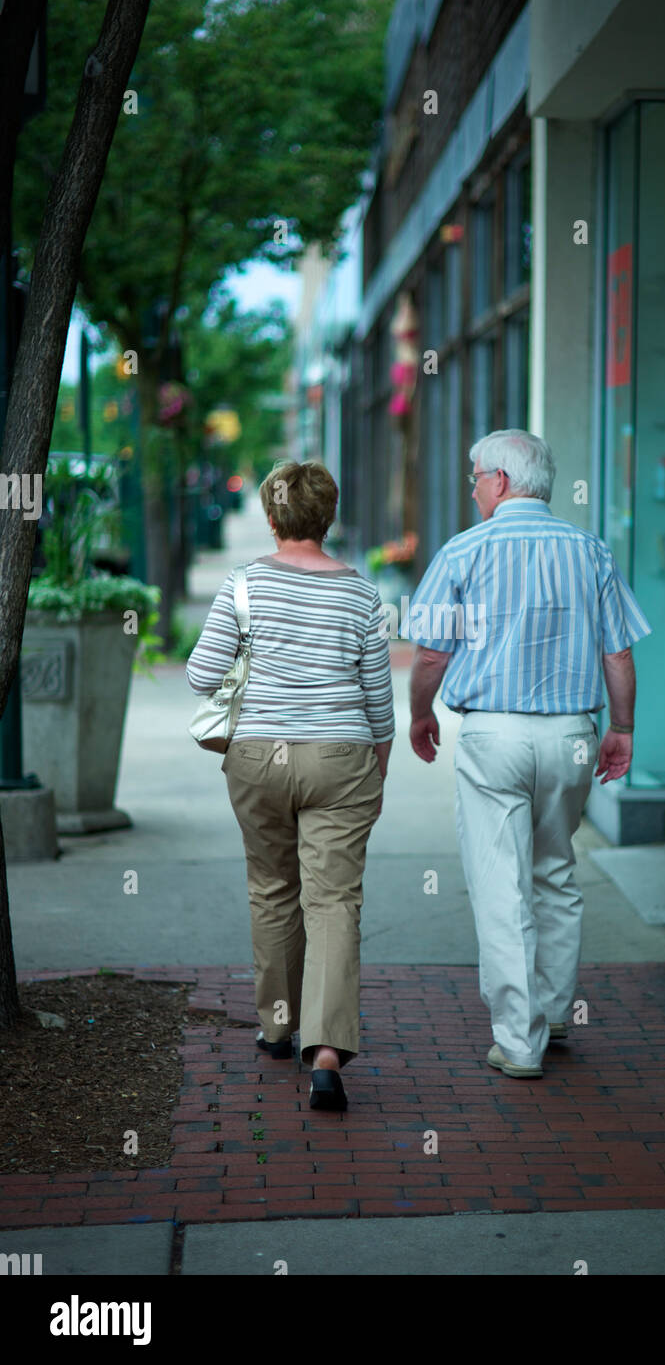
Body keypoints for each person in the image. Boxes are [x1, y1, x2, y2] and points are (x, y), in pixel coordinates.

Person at [406, 429, 651, 1078]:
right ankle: (554, 1010)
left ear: (502, 481)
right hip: (572, 733)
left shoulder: (462, 552)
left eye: (475, 476)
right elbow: (618, 651)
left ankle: (520, 1040)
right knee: (555, 873)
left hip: (494, 737)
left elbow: (432, 652)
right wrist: (620, 726)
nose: (473, 487)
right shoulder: (589, 550)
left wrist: (420, 712)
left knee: (500, 884)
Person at [186, 460, 394, 1111]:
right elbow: (380, 705)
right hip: (342, 756)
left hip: (258, 759)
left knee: (273, 888)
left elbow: (199, 676)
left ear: (272, 519)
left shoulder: (242, 586)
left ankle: (278, 1025)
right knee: (333, 902)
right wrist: (375, 767)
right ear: (327, 518)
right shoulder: (362, 595)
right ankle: (327, 1052)